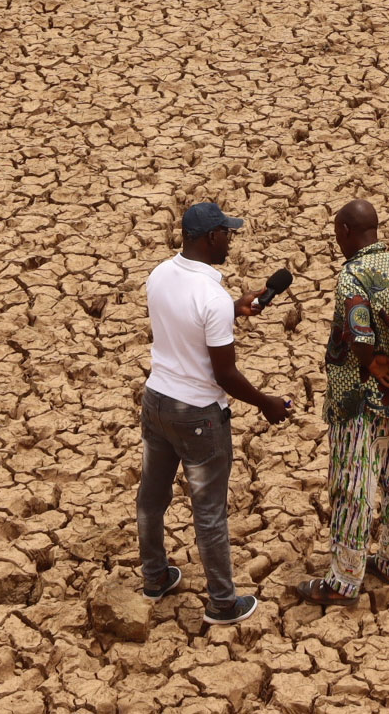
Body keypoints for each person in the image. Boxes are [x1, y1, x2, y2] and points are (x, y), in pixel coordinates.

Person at [137, 202, 291, 626]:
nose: (231, 239)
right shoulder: (212, 297)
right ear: (210, 239)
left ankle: (155, 578)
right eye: (227, 233)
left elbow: (183, 327)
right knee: (209, 513)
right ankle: (222, 602)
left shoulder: (160, 274)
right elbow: (225, 374)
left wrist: (234, 310)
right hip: (199, 418)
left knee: (152, 498)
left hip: (156, 402)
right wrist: (267, 404)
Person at [296, 199, 389, 606]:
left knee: (353, 485)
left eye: (337, 231)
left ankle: (344, 580)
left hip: (358, 400)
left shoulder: (353, 276)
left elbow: (360, 332)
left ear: (346, 232)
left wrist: (371, 362)